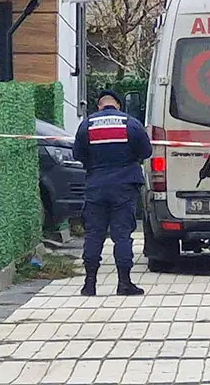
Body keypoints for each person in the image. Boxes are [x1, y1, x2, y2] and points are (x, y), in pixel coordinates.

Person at [73, 89, 153, 297]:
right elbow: (146, 152)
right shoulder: (131, 124)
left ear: (100, 105)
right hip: (124, 186)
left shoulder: (86, 125)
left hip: (96, 186)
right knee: (122, 235)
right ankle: (124, 283)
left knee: (94, 234)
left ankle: (89, 283)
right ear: (118, 105)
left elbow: (78, 154)